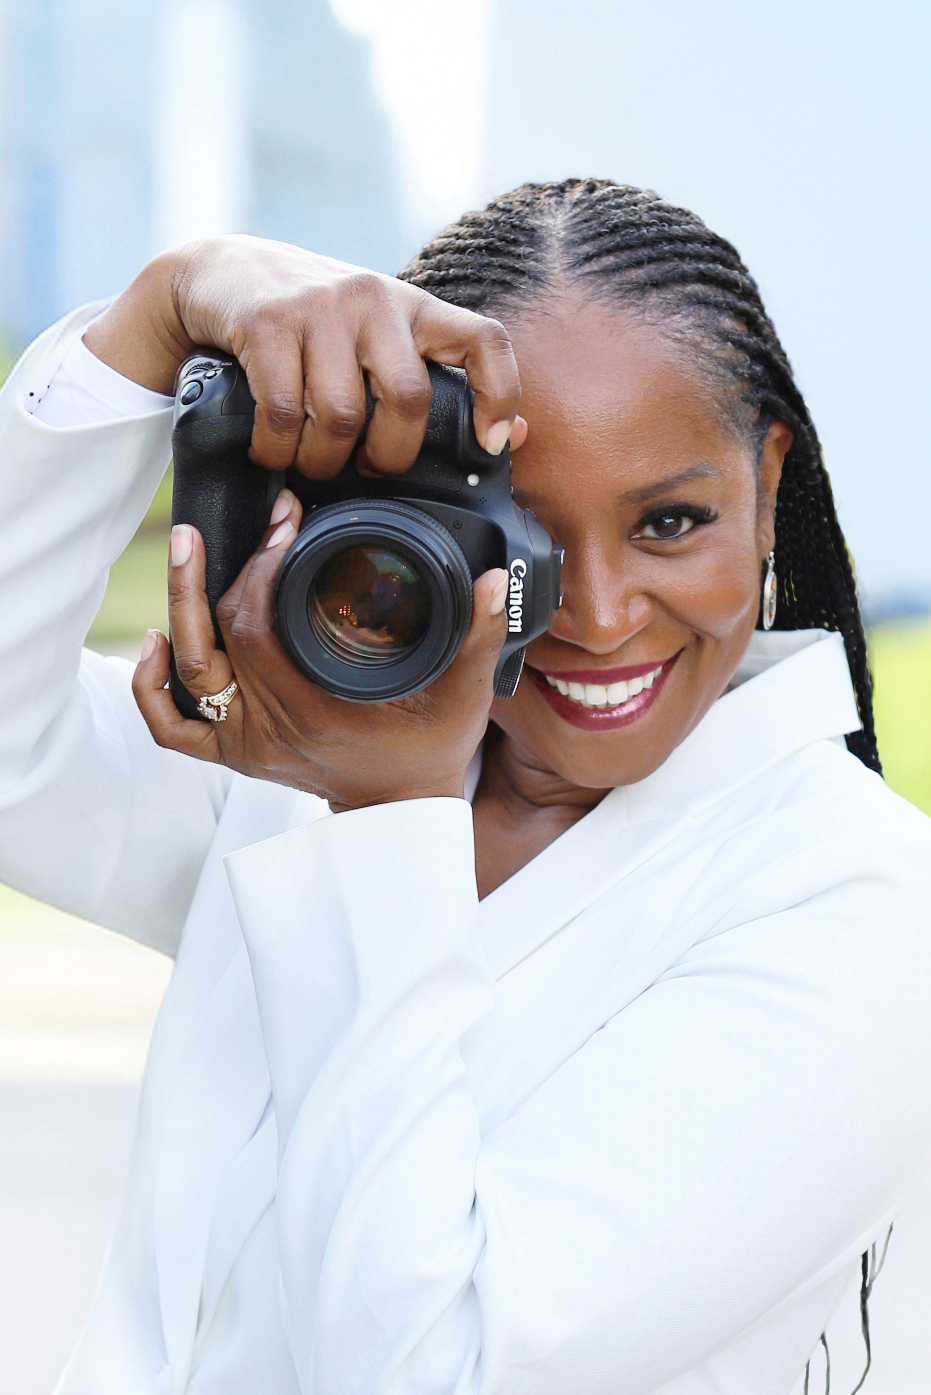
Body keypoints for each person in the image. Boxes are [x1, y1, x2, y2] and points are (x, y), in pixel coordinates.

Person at [1, 179, 930, 1395]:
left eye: (669, 522)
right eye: (524, 533)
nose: (595, 616)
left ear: (765, 491)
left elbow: (432, 1370)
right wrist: (160, 315)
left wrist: (391, 819)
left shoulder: (856, 904)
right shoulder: (304, 763)